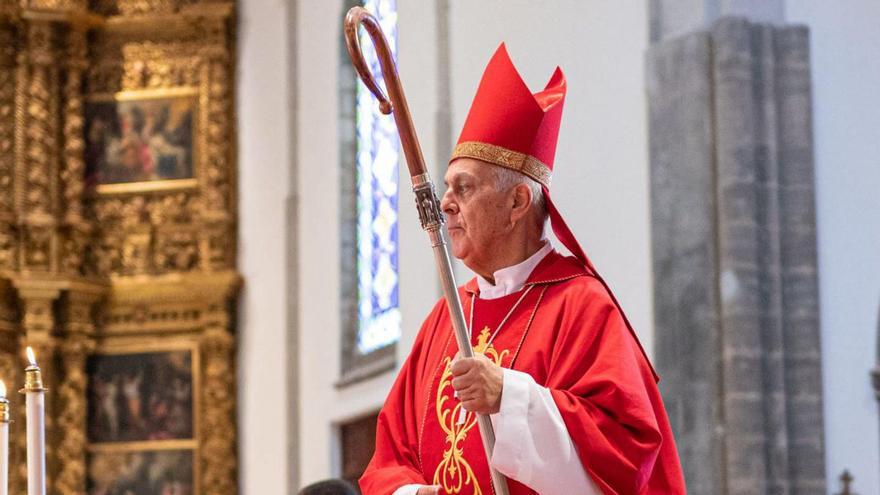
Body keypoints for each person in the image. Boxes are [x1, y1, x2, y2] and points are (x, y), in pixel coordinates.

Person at [360, 44, 686, 495]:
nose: (446, 203)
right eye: (447, 188)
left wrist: (508, 397)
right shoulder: (446, 318)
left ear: (517, 202)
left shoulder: (581, 306)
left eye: (464, 188)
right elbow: (388, 458)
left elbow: (625, 457)